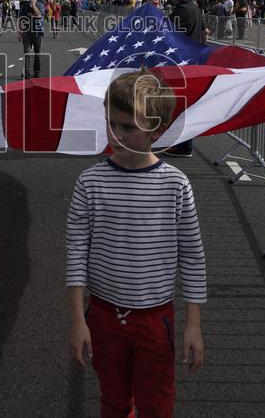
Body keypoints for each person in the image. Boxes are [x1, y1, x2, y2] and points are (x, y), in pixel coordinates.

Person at [67, 69, 206, 417]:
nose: (116, 134)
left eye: (127, 127)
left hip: (154, 320)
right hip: (102, 316)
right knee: (113, 401)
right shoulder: (89, 182)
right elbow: (76, 254)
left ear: (157, 130)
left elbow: (192, 257)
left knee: (156, 403)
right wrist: (77, 320)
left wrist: (193, 324)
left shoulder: (176, 185)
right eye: (111, 123)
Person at [164, 0, 205, 158]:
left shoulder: (183, 11)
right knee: (183, 104)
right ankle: (181, 144)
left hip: (181, 64)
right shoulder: (193, 8)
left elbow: (166, 35)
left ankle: (183, 146)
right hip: (189, 62)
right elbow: (205, 32)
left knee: (180, 105)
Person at [18, 0, 44, 78]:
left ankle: (37, 72)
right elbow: (20, 18)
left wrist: (33, 5)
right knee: (27, 53)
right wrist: (19, 31)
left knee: (37, 53)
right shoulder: (25, 6)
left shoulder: (40, 4)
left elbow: (39, 14)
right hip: (27, 32)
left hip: (37, 32)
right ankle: (27, 73)